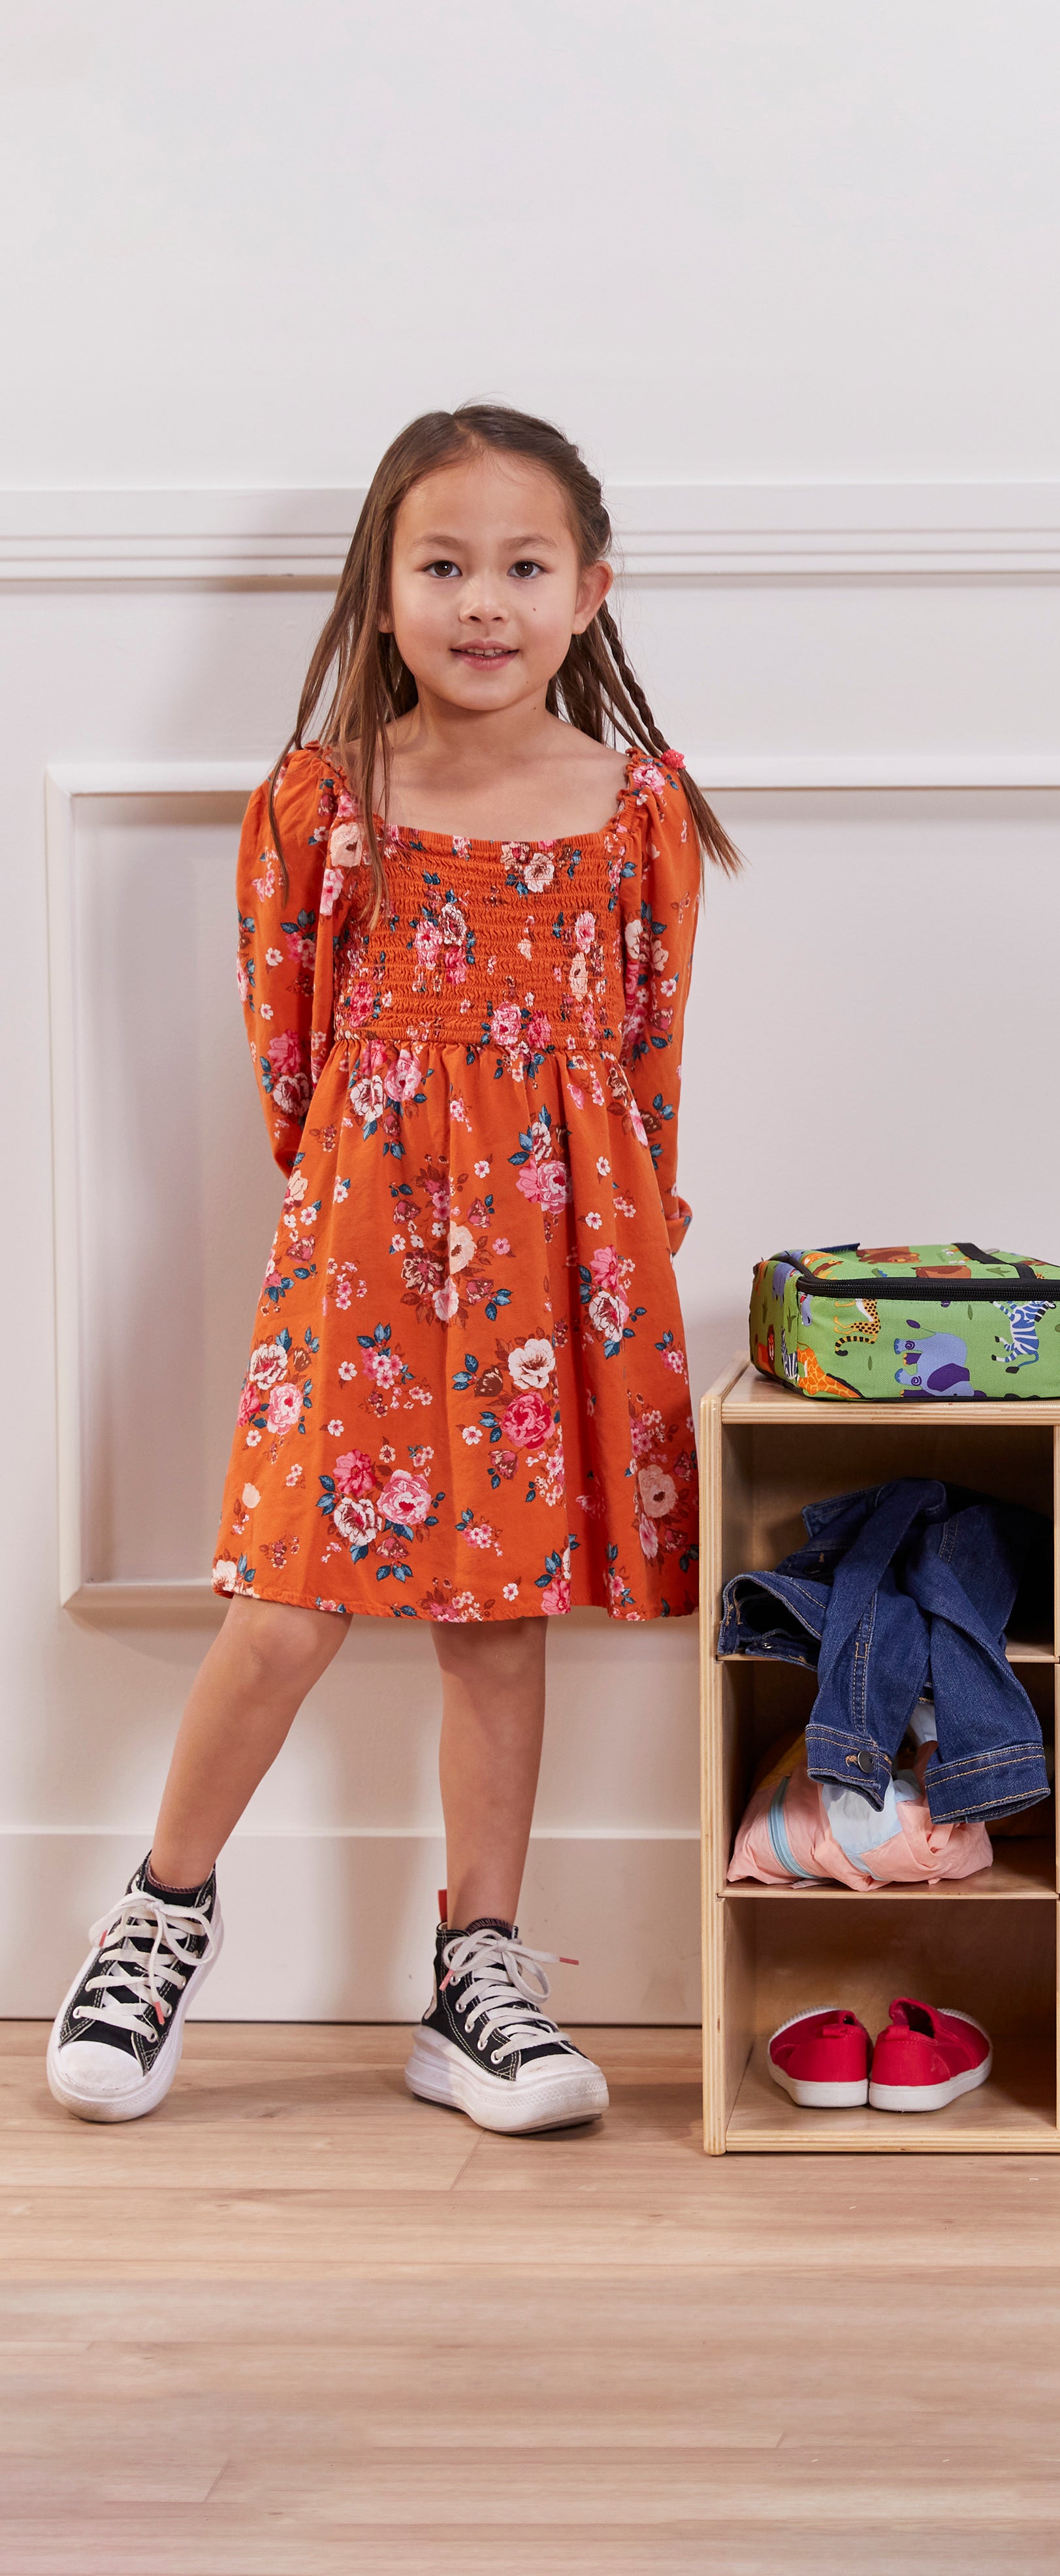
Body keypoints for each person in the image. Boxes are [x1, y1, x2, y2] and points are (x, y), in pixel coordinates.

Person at [44, 406, 738, 2135]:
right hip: (363, 1246)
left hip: (562, 1248)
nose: (481, 601)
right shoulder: (320, 803)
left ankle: (477, 1970)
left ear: (590, 590)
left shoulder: (636, 809)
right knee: (284, 1604)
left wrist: (621, 1229)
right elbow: (287, 1061)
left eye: (521, 566)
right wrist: (378, 1201)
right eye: (442, 566)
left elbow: (651, 1051)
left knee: (496, 1627)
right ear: (383, 594)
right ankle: (156, 1915)